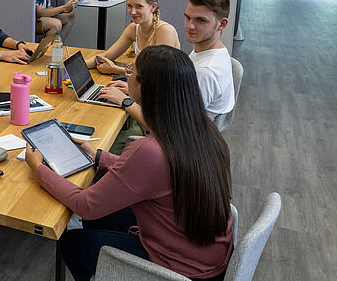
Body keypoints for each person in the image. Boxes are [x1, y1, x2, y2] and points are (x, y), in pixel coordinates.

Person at [25, 46, 234, 280]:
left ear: (144, 87)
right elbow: (154, 176)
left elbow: (84, 204)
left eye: (133, 72)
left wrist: (39, 169)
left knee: (74, 243)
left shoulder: (150, 150)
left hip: (182, 270)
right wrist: (99, 157)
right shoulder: (204, 132)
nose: (128, 75)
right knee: (100, 211)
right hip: (205, 253)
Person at [99, 0, 234, 126]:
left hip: (173, 140)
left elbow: (168, 129)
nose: (190, 26)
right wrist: (135, 93)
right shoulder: (208, 53)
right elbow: (172, 97)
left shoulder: (204, 72)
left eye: (200, 20)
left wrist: (125, 101)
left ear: (222, 24)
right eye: (187, 17)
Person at [85, 0, 180, 75]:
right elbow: (106, 57)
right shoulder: (133, 28)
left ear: (153, 6)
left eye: (139, 6)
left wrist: (116, 70)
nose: (133, 12)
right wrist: (78, 67)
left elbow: (157, 74)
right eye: (130, 6)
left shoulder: (166, 31)